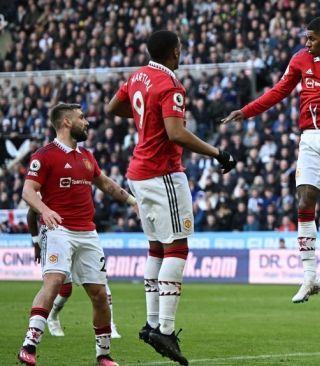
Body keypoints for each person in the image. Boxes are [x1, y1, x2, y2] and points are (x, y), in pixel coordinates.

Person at [222, 17, 320, 306]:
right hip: (308, 139)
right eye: (306, 38)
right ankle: (310, 276)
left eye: (312, 38)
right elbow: (277, 91)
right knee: (304, 203)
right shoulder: (301, 59)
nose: (306, 43)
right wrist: (246, 111)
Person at [107, 30, 236, 365]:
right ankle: (164, 328)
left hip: (138, 172)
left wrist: (144, 119)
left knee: (156, 247)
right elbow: (175, 133)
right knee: (177, 247)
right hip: (162, 172)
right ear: (175, 52)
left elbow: (113, 107)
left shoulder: (137, 76)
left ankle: (151, 325)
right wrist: (217, 153)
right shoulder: (170, 85)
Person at [18, 103, 136, 366]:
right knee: (55, 281)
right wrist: (45, 210)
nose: (87, 122)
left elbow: (105, 183)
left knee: (100, 295)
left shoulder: (86, 156)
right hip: (58, 229)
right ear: (66, 122)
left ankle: (103, 355)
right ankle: (29, 345)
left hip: (88, 232)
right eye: (82, 118)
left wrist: (132, 202)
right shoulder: (45, 155)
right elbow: (27, 192)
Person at [26, 208, 121, 338]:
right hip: (56, 238)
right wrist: (36, 242)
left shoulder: (81, 189)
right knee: (65, 289)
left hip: (83, 236)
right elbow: (31, 214)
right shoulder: (45, 190)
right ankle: (52, 317)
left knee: (99, 284)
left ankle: (110, 325)